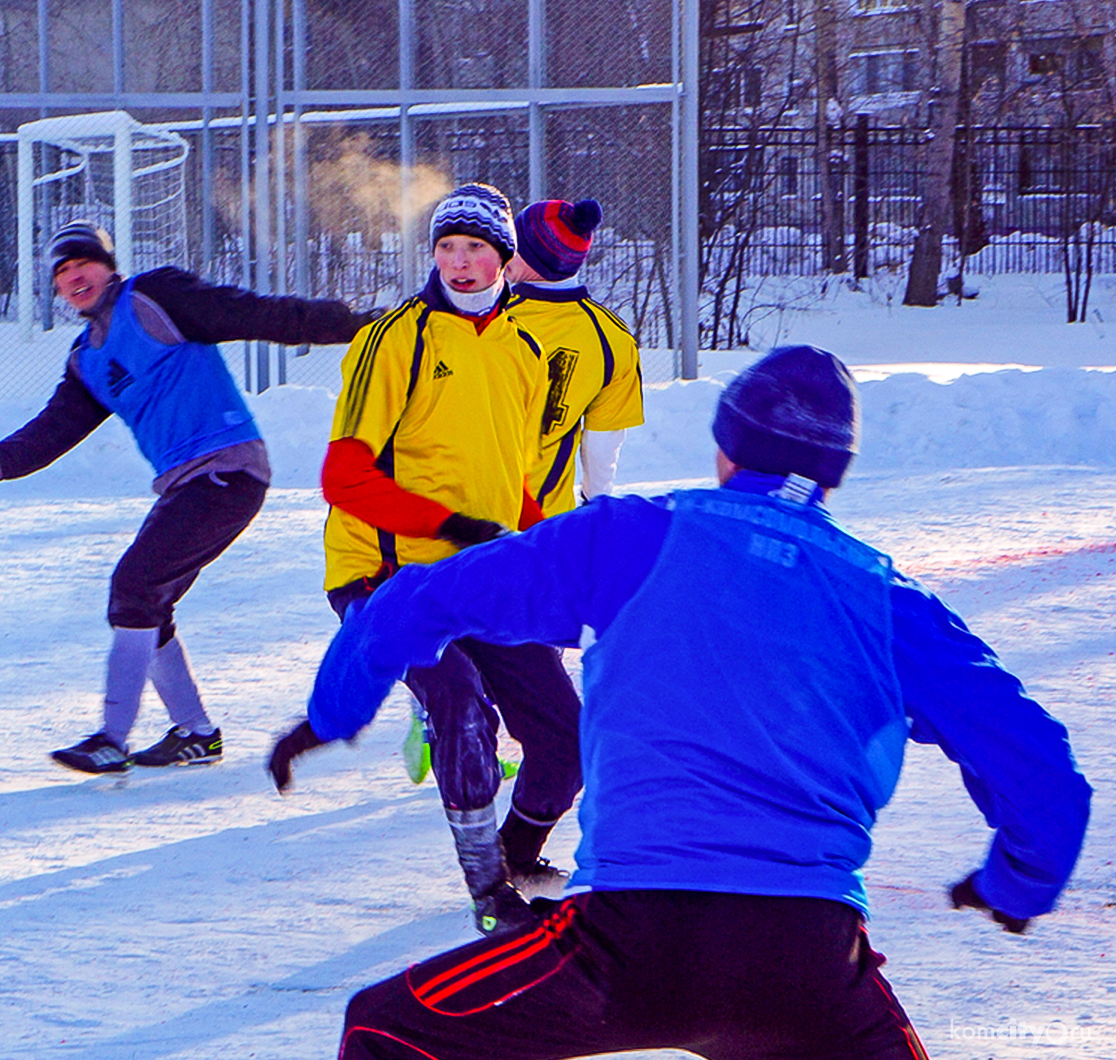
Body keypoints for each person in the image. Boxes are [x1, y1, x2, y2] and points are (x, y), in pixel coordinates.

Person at [274, 345, 1091, 1060]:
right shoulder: (888, 602)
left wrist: (334, 711)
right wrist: (1017, 885)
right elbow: (1039, 761)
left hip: (631, 943)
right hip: (807, 964)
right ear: (834, 473)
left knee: (385, 1031)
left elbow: (414, 601)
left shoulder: (626, 537)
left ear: (725, 449)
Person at [0, 221, 378, 774]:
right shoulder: (87, 358)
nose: (74, 276)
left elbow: (256, 313)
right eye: (61, 271)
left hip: (228, 471)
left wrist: (357, 326)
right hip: (188, 484)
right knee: (147, 603)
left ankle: (112, 737)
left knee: (134, 586)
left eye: (83, 262)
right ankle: (196, 733)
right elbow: (54, 428)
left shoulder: (157, 299)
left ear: (108, 266)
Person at [298, 182, 585, 936]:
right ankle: (491, 895)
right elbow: (344, 477)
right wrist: (452, 526)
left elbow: (513, 482)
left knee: (567, 736)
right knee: (461, 711)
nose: (459, 264)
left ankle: (517, 854)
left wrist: (551, 561)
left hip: (481, 579)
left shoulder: (525, 351)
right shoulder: (394, 340)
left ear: (505, 259)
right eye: (447, 249)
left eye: (475, 249)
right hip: (386, 577)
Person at [500, 199, 644, 518]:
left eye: (515, 243)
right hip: (545, 526)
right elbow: (602, 444)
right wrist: (594, 503)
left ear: (537, 257)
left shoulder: (486, 318)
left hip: (461, 520)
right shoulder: (611, 338)